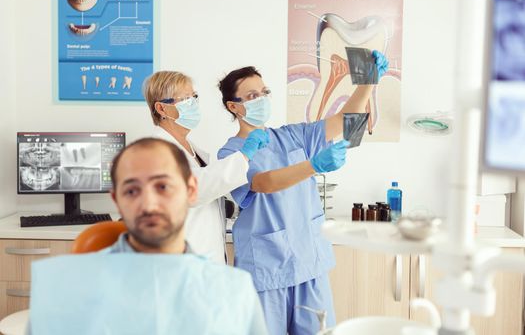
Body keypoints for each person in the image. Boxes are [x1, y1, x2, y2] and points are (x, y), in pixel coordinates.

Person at [217, 51, 388, 334]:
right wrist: (313, 165)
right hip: (266, 269)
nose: (261, 99)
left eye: (264, 91)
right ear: (233, 107)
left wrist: (368, 82)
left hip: (309, 263)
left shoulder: (292, 135)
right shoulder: (231, 154)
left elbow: (346, 121)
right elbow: (264, 183)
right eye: (251, 96)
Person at [28, 138, 268, 335]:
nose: (149, 204)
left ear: (191, 190)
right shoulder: (59, 288)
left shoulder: (234, 292)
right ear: (117, 200)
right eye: (132, 190)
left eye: (162, 187)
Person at [142, 71, 269, 263]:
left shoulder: (196, 151)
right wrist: (244, 155)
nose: (193, 104)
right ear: (162, 109)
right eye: (185, 99)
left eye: (194, 97)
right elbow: (193, 189)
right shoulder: (155, 151)